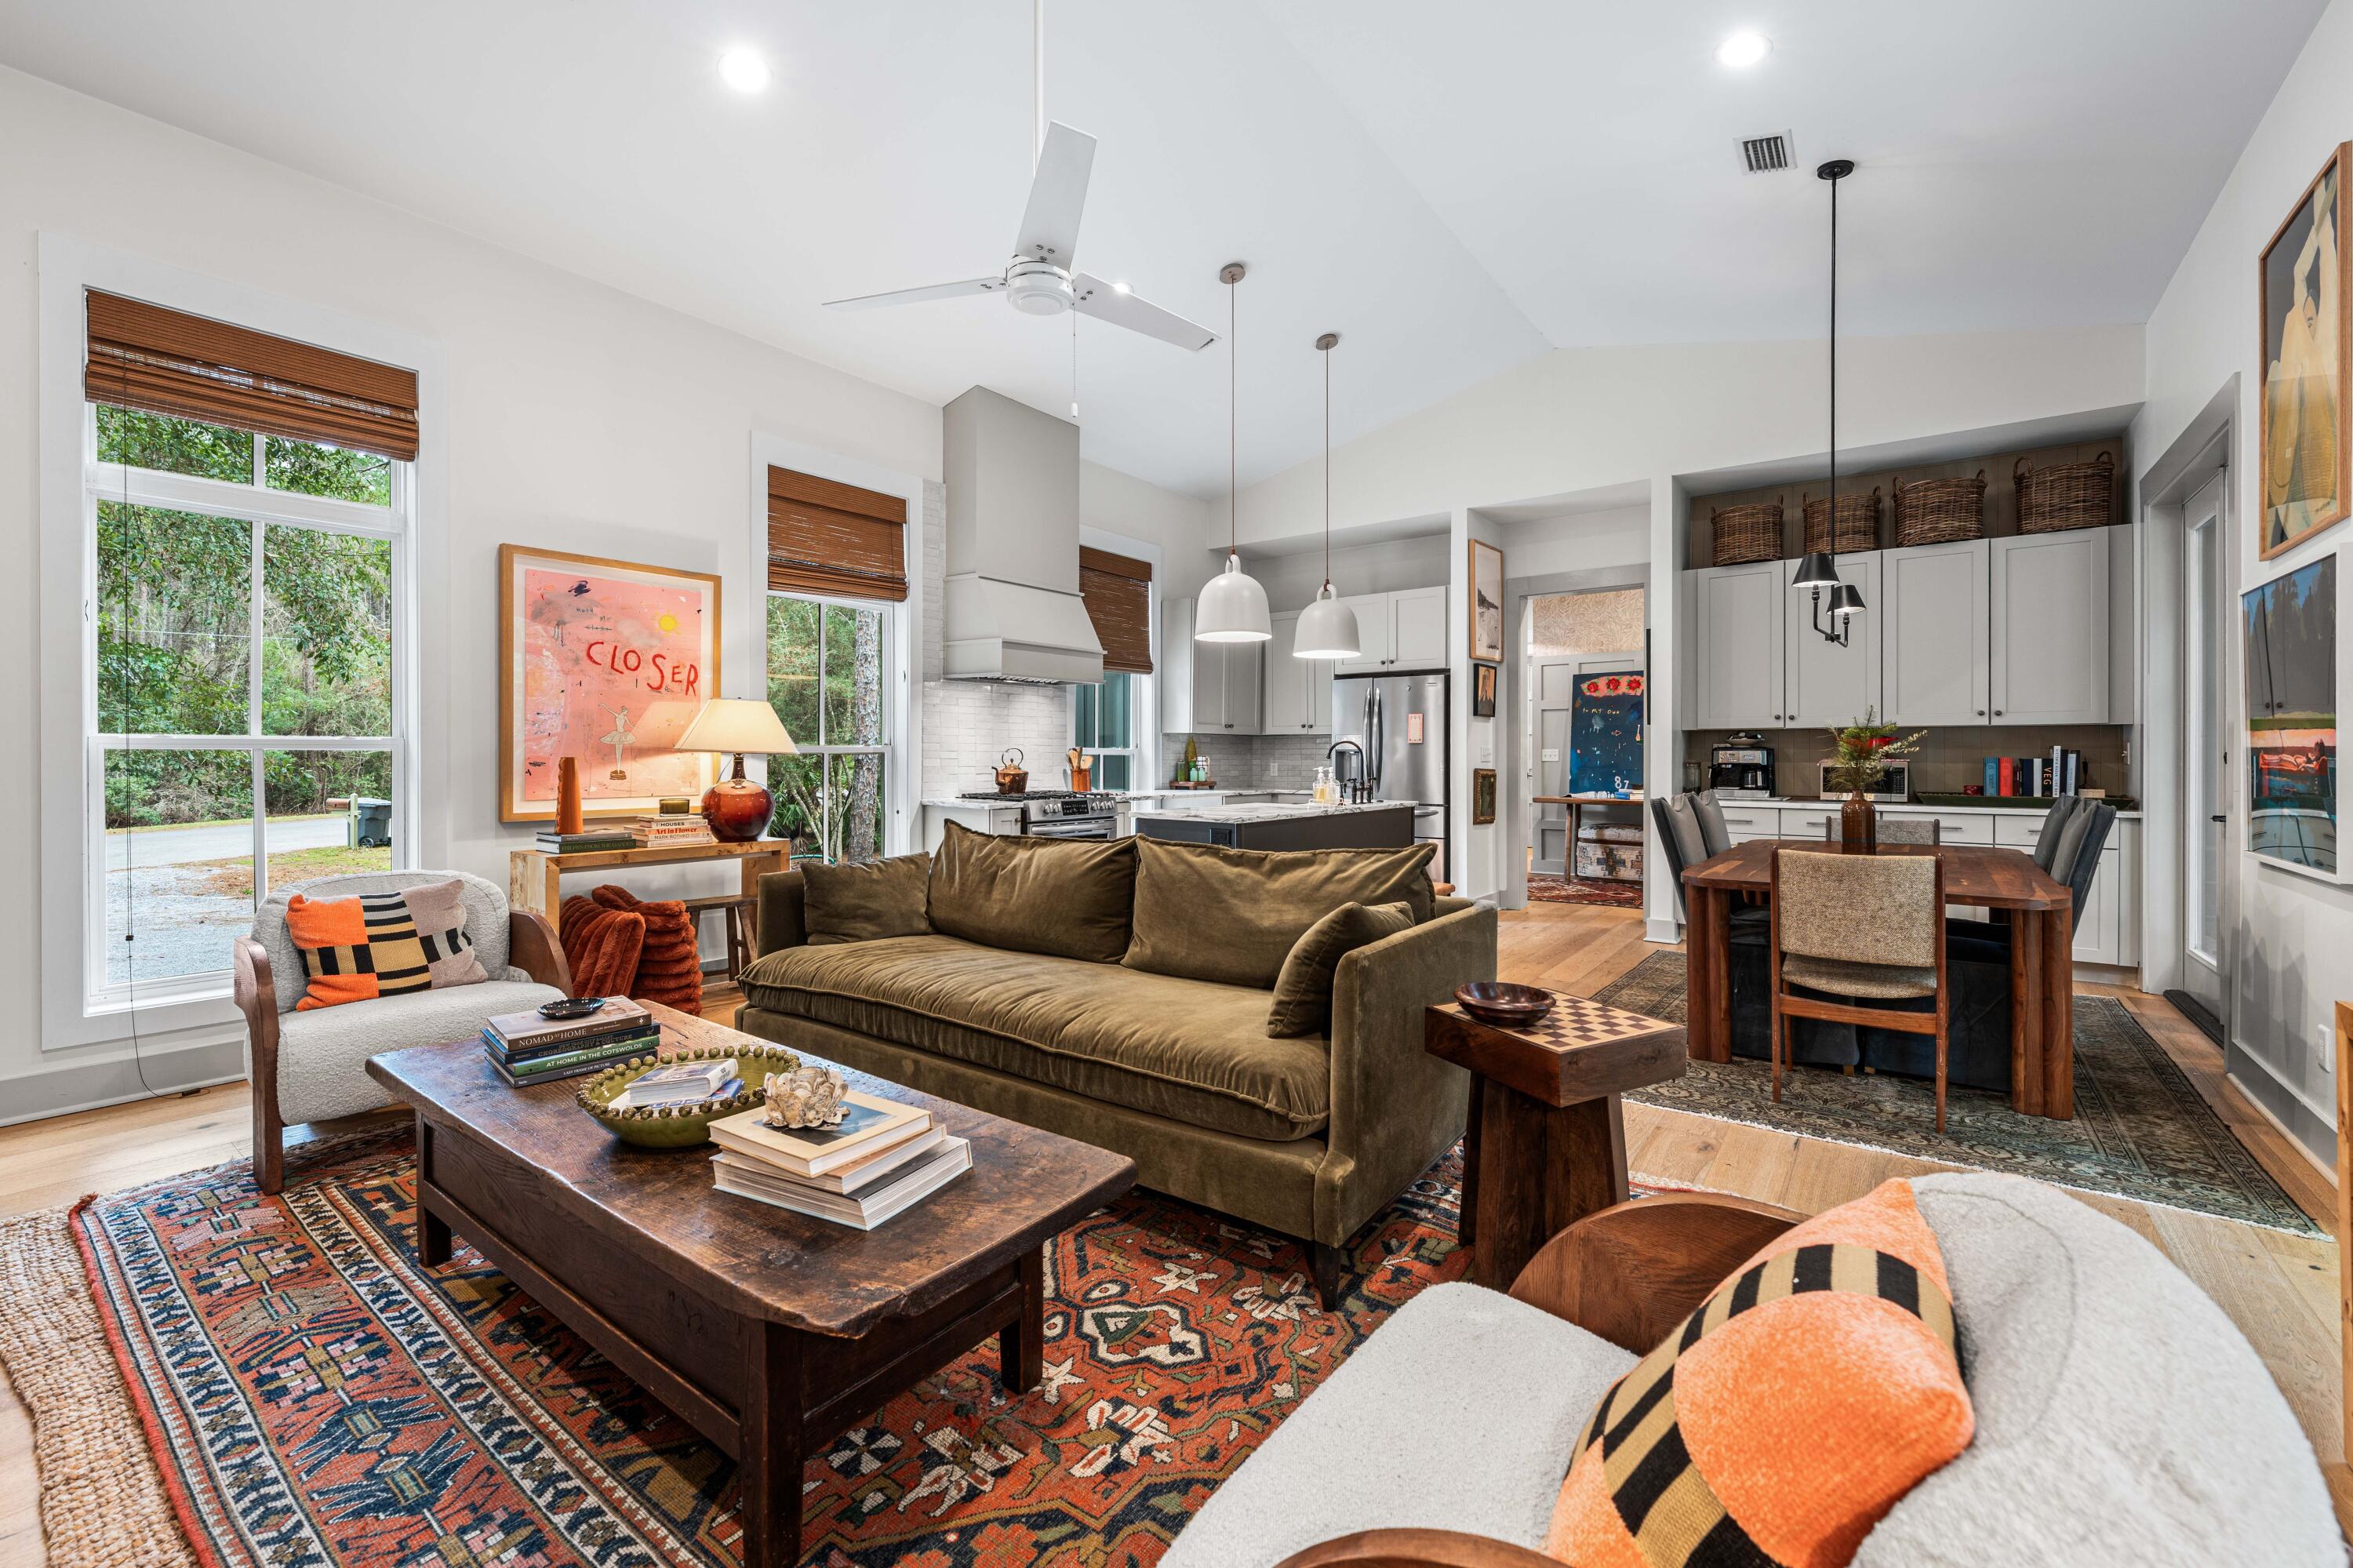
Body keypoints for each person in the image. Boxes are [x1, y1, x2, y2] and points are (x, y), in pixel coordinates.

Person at [2266, 169, 2341, 548]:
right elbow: (2299, 274)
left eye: (2312, 318)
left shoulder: (2329, 346)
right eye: (2305, 318)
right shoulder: (2297, 357)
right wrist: (2320, 203)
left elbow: (2328, 255)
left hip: (2326, 482)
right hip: (2302, 486)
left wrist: (2324, 197)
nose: (2308, 323)